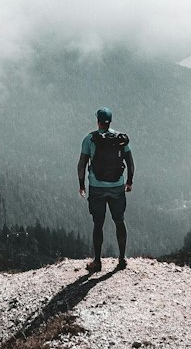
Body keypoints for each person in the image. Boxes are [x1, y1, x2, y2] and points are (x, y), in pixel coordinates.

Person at [77, 106, 133, 273]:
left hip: (96, 187)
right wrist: (129, 182)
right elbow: (130, 162)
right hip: (117, 186)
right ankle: (122, 258)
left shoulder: (90, 139)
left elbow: (81, 164)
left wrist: (81, 184)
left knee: (98, 224)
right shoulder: (120, 139)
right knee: (119, 220)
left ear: (98, 121)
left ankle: (97, 261)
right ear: (110, 121)